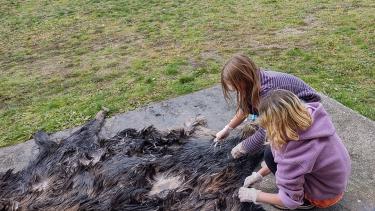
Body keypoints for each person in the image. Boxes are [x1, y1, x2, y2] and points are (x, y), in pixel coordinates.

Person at [238, 90, 351, 210]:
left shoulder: (294, 154)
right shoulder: (309, 115)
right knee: (270, 153)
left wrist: (255, 195)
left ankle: (306, 202)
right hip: (334, 182)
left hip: (324, 196)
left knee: (272, 155)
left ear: (275, 126)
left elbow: (290, 201)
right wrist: (259, 174)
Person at [215, 53, 321, 158]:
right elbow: (245, 109)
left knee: (275, 142)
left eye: (234, 85)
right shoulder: (253, 80)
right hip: (287, 104)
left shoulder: (268, 91)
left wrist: (243, 148)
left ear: (244, 78)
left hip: (307, 108)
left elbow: (267, 130)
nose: (232, 88)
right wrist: (228, 128)